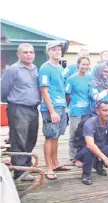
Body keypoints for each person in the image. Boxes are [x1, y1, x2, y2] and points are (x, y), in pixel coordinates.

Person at [1, 43, 40, 181]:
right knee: (19, 140)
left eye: (31, 52)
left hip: (34, 109)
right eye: (25, 52)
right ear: (19, 54)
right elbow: (4, 91)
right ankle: (19, 172)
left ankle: (26, 166)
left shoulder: (35, 69)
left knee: (31, 138)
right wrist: (16, 101)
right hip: (18, 108)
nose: (29, 54)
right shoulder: (13, 70)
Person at [39, 41, 70, 180]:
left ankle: (56, 163)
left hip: (61, 106)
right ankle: (49, 167)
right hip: (51, 108)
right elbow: (44, 91)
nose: (57, 51)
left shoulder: (60, 68)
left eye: (58, 49)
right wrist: (52, 111)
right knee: (50, 137)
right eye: (53, 49)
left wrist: (65, 108)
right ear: (48, 52)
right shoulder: (45, 68)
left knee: (56, 136)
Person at [76, 100, 108, 185]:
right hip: (83, 151)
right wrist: (105, 159)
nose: (107, 113)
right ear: (97, 111)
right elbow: (90, 145)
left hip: (101, 148)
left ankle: (98, 166)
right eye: (104, 110)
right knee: (89, 150)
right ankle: (86, 173)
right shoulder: (90, 123)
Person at [65, 57, 92, 167]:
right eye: (83, 64)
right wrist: (68, 108)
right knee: (74, 134)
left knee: (85, 134)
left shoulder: (90, 78)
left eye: (87, 65)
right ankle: (73, 158)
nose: (85, 67)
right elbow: (67, 94)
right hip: (75, 111)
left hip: (87, 111)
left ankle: (82, 155)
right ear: (78, 65)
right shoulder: (71, 79)